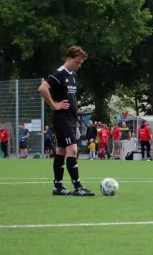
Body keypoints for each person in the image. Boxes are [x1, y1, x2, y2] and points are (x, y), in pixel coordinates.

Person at [37, 46, 94, 196]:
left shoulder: (72, 76)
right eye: (77, 62)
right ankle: (78, 187)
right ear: (68, 59)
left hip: (70, 118)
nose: (79, 65)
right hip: (62, 118)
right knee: (73, 150)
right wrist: (54, 105)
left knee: (61, 150)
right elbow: (42, 88)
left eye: (81, 63)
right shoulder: (59, 74)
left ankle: (58, 187)